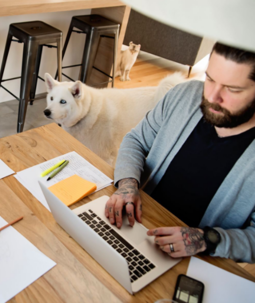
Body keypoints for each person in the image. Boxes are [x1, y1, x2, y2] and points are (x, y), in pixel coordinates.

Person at [105, 42, 255, 263]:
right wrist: (127, 185)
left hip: (199, 259)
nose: (213, 96)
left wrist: (207, 239)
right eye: (210, 79)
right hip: (137, 224)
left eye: (232, 89)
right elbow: (136, 140)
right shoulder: (184, 95)